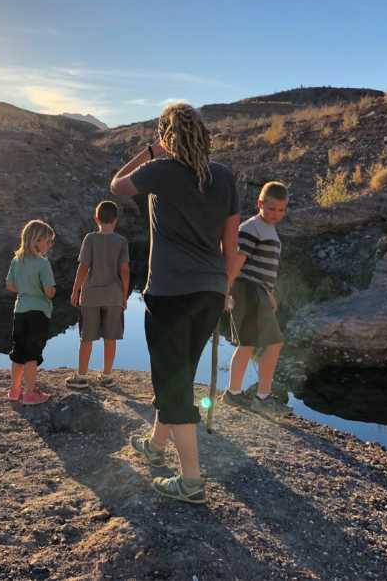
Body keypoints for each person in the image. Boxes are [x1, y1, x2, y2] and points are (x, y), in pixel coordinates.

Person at [110, 102, 239, 504]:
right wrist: (225, 289)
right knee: (179, 374)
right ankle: (154, 444)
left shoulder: (162, 170)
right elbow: (230, 246)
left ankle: (192, 481)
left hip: (169, 293)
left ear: (168, 136)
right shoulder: (224, 177)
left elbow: (117, 185)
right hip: (211, 293)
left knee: (173, 382)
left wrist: (151, 152)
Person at [222, 181, 289, 414]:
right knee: (274, 343)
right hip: (248, 290)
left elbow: (262, 267)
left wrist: (269, 293)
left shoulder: (269, 229)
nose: (276, 214)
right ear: (260, 203)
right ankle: (262, 397)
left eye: (281, 210)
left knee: (247, 344)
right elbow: (238, 261)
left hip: (258, 291)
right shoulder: (252, 227)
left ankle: (234, 393)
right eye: (271, 208)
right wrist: (226, 290)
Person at [66, 200, 130, 389]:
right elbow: (125, 270)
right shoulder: (121, 241)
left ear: (96, 219)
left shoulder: (90, 239)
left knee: (86, 337)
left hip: (91, 296)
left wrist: (75, 290)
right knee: (110, 337)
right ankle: (107, 376)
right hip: (114, 296)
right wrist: (124, 295)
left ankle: (82, 376)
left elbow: (83, 266)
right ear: (116, 220)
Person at [5, 219, 57, 405]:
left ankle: (15, 390)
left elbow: (10, 285)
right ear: (37, 241)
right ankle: (29, 394)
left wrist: (25, 287)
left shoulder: (16, 260)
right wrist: (48, 291)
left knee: (18, 351)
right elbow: (49, 292)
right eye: (48, 241)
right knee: (32, 354)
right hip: (39, 313)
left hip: (20, 311)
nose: (50, 245)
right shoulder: (43, 263)